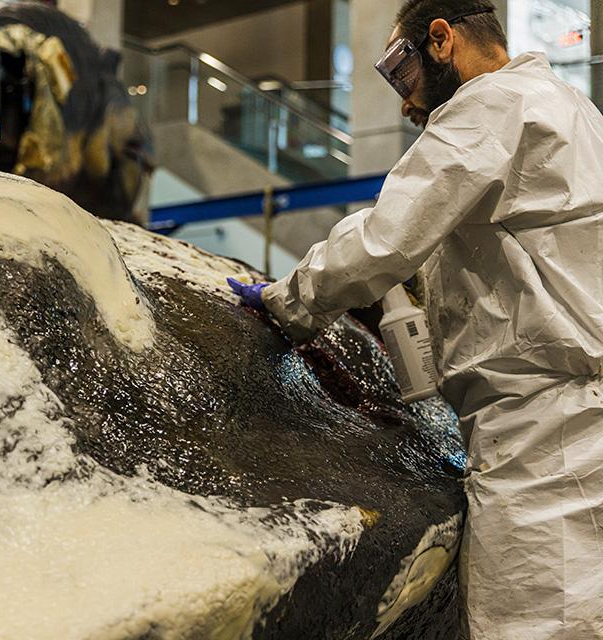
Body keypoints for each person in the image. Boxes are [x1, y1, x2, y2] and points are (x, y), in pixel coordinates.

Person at [228, 1, 603, 638]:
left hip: (542, 436)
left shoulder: (490, 106)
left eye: (400, 74)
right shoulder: (572, 107)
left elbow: (383, 238)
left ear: (441, 41)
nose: (404, 105)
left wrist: (286, 302)